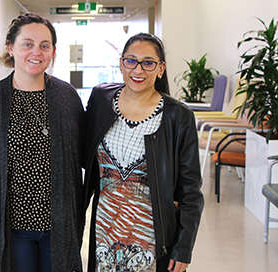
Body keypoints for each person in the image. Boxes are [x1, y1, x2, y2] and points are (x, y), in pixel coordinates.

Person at [0, 13, 85, 272]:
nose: (36, 52)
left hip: (59, 228)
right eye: (27, 44)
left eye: (44, 45)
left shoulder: (67, 97)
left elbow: (86, 155)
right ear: (11, 47)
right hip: (13, 231)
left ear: (53, 51)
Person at [84, 33, 204, 272]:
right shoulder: (100, 99)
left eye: (148, 63)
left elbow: (191, 191)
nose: (138, 70)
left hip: (151, 238)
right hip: (104, 233)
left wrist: (183, 248)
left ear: (161, 69)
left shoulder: (178, 116)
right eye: (131, 61)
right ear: (121, 63)